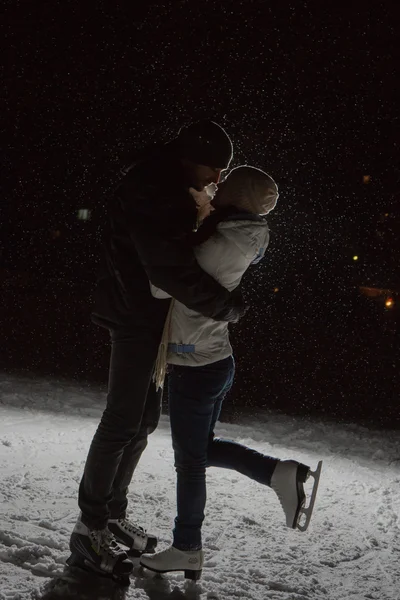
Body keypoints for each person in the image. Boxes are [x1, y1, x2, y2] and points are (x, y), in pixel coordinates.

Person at [68, 121, 248, 583]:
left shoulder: (170, 184)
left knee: (143, 421)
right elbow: (166, 266)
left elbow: (176, 253)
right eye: (216, 167)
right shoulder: (153, 186)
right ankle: (88, 528)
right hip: (134, 316)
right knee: (122, 420)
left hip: (148, 318)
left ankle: (110, 514)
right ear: (194, 156)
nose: (218, 179)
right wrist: (225, 305)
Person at [140, 166, 322, 580]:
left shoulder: (219, 242)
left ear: (237, 196)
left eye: (226, 184)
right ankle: (280, 473)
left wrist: (184, 228)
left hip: (195, 362)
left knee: (190, 463)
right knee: (199, 451)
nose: (215, 187)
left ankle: (187, 546)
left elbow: (160, 286)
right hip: (214, 359)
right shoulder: (246, 234)